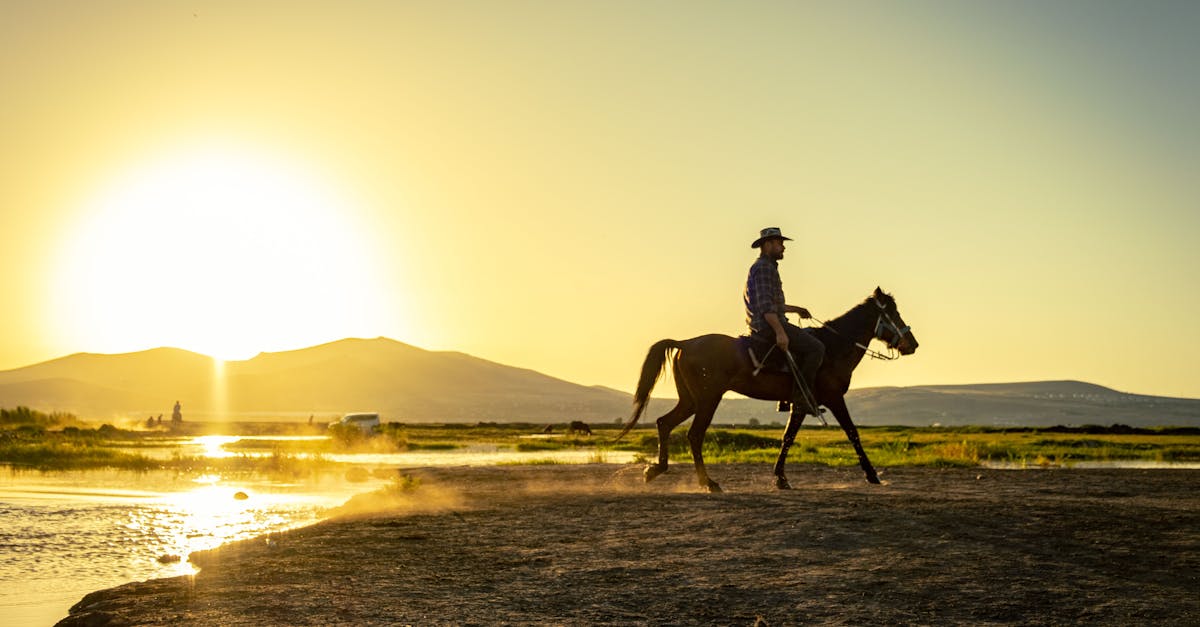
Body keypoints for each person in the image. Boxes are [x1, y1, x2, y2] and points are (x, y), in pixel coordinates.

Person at [744, 227, 825, 416]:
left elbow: (773, 303)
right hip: (767, 326)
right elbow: (766, 307)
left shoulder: (767, 267)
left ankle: (786, 396)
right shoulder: (764, 268)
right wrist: (780, 332)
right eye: (780, 244)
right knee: (816, 348)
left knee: (806, 340)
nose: (783, 248)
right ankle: (800, 398)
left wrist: (797, 309)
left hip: (767, 322)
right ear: (768, 245)